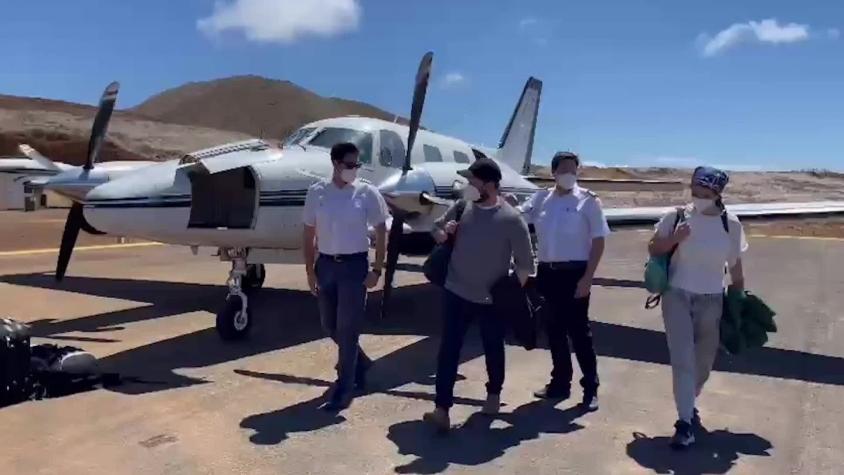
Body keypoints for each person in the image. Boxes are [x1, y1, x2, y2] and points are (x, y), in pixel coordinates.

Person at [422, 158, 535, 432]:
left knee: (493, 348)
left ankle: (493, 395)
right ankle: (442, 409)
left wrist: (507, 292)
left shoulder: (511, 218)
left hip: (490, 300)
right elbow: (434, 228)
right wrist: (443, 233)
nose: (468, 186)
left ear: (489, 184)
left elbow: (526, 265)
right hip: (455, 291)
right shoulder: (462, 207)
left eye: (473, 181)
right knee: (448, 350)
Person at [648, 166, 748, 449]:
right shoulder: (676, 216)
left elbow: (736, 266)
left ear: (718, 194)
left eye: (705, 194)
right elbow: (654, 248)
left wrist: (739, 298)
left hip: (712, 299)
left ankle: (688, 402)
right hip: (676, 295)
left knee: (703, 363)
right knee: (682, 359)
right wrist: (674, 239)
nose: (698, 198)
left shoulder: (731, 224)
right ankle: (684, 423)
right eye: (695, 192)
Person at [518, 151, 609, 412]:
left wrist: (588, 278)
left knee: (580, 333)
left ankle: (590, 388)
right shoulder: (540, 198)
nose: (569, 173)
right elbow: (519, 218)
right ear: (554, 172)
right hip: (548, 273)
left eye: (574, 168)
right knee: (554, 330)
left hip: (575, 274)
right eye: (564, 168)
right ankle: (559, 383)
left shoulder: (588, 201)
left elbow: (599, 241)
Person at [302, 142, 389, 412]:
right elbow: (308, 233)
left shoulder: (367, 193)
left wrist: (377, 268)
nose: (354, 169)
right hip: (326, 265)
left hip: (354, 268)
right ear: (335, 164)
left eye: (356, 165)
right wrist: (309, 269)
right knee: (329, 325)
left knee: (348, 330)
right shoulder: (316, 193)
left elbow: (381, 230)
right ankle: (360, 363)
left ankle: (344, 388)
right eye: (350, 164)